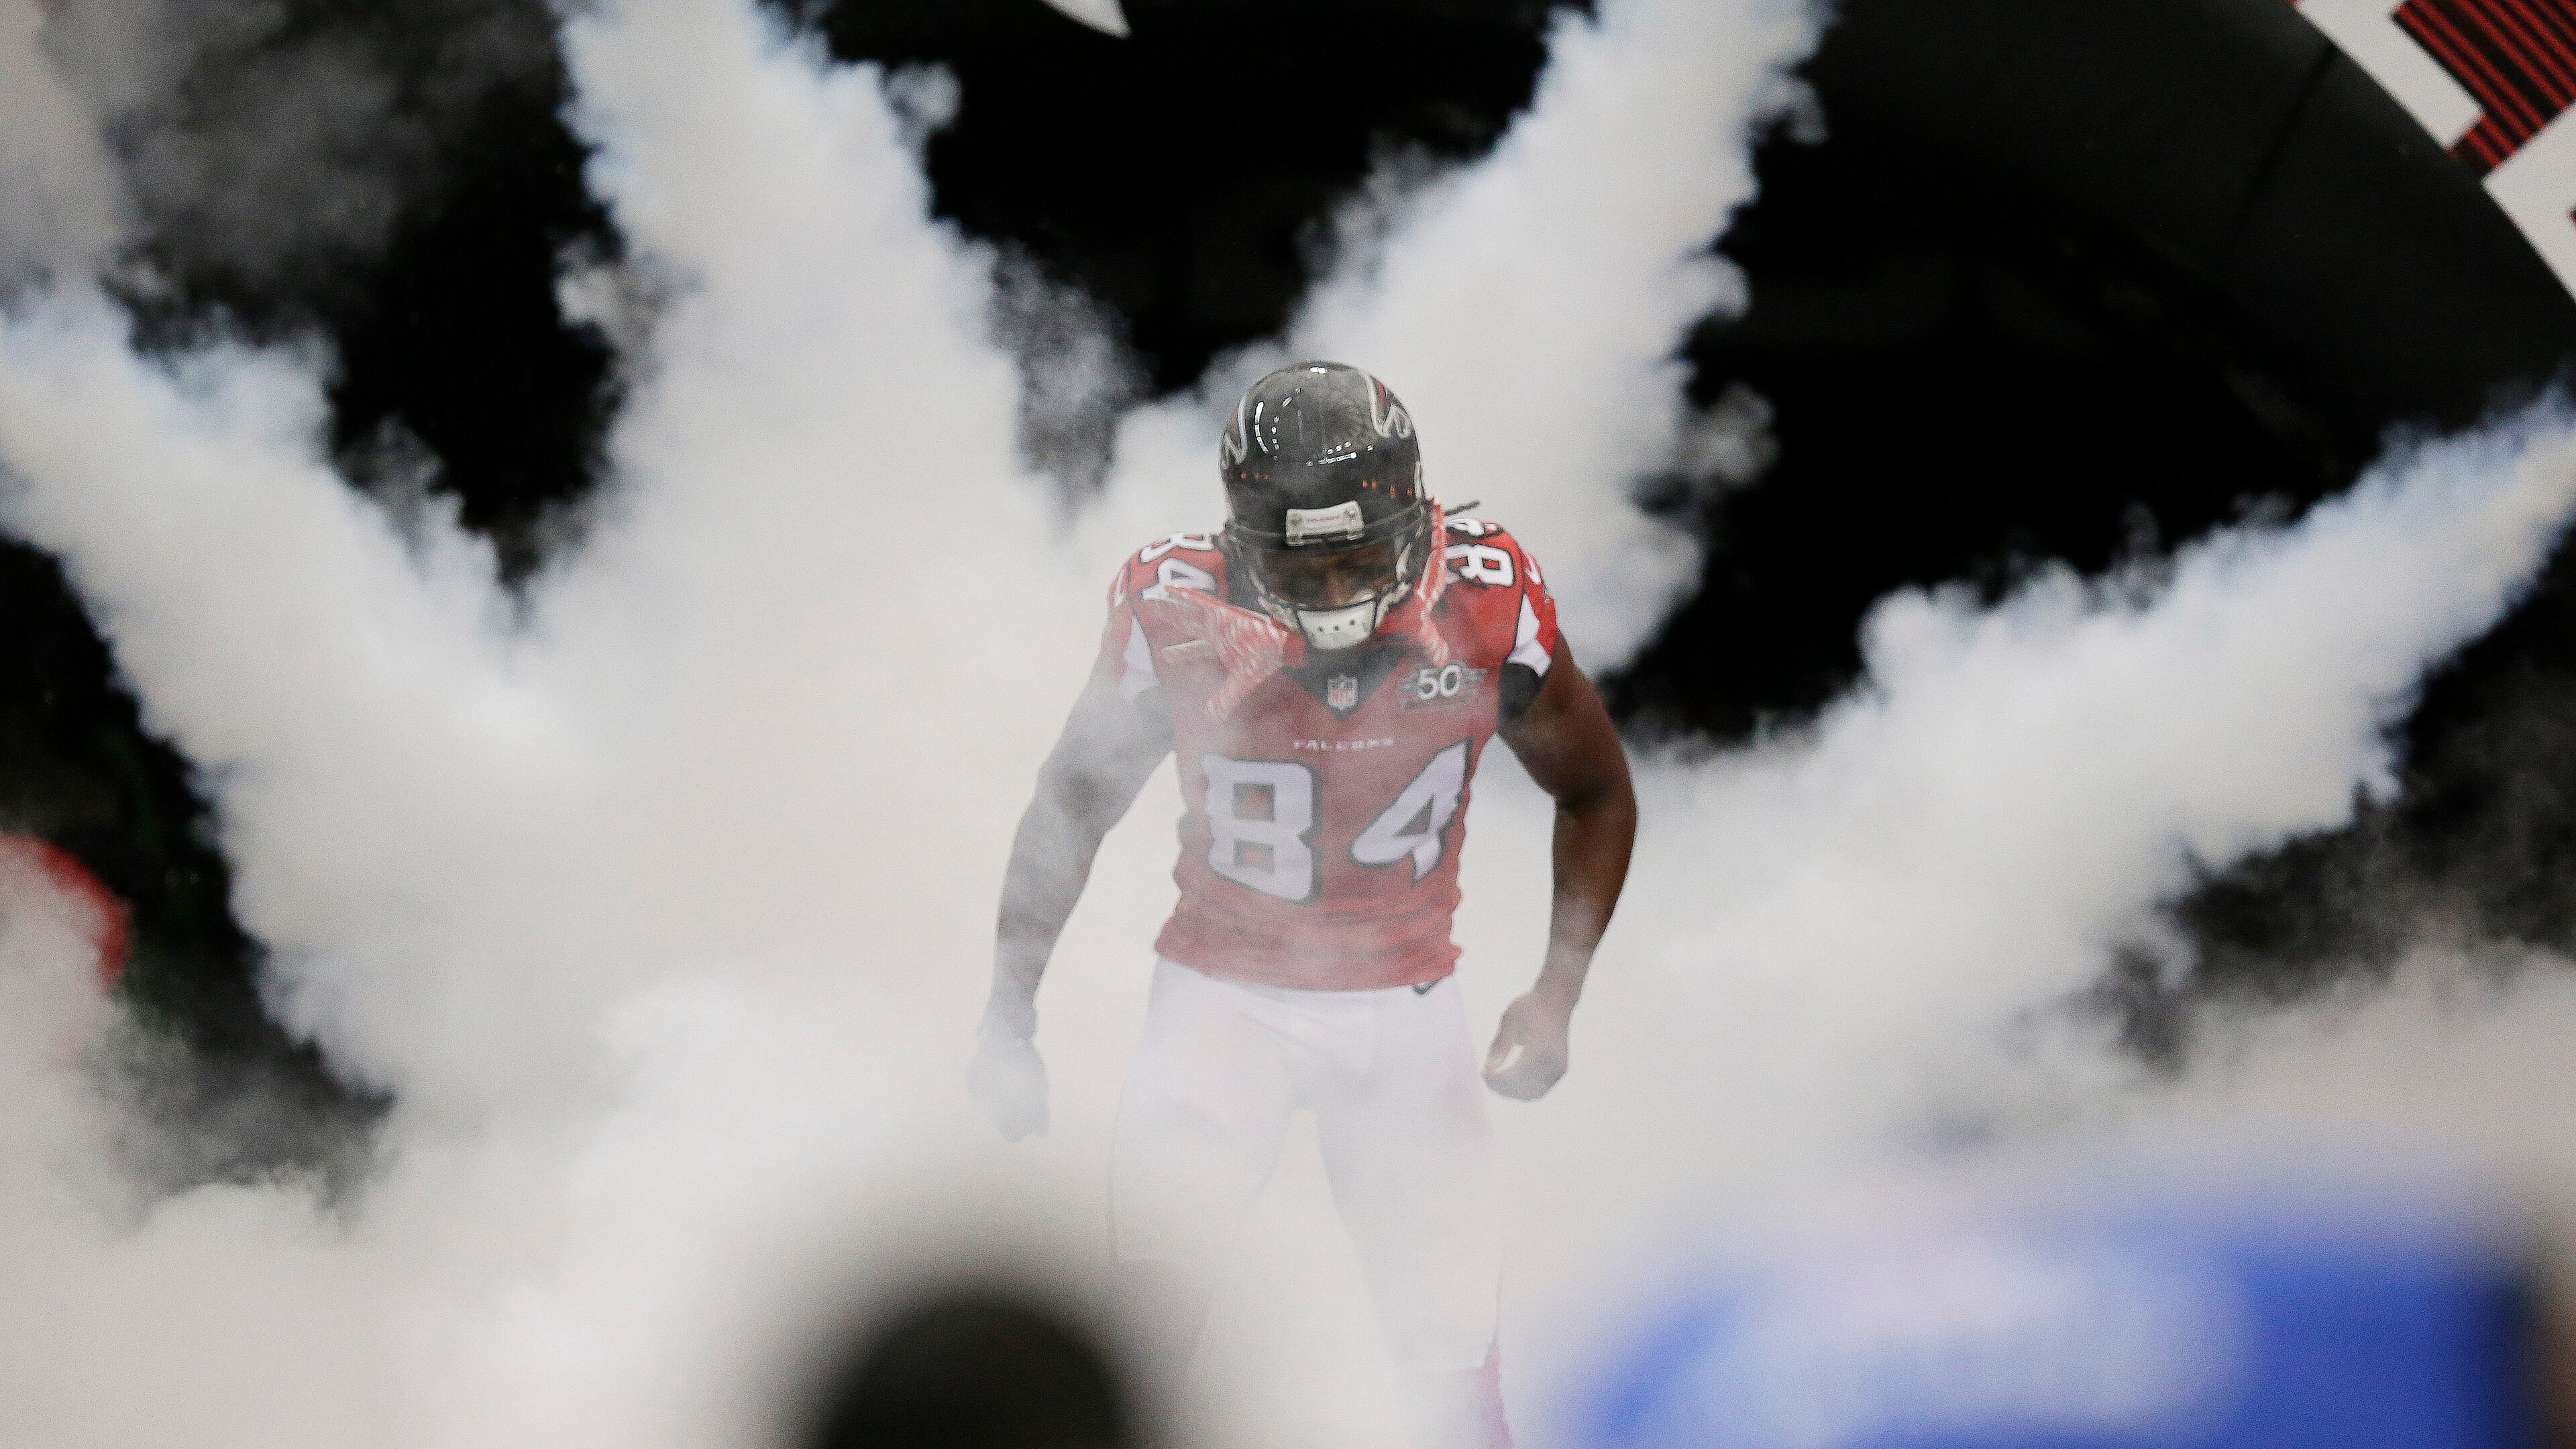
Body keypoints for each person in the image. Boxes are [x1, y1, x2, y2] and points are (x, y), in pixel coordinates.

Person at [972, 361, 1636, 1449]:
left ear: (1420, 529)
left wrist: (1558, 991)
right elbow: (1072, 800)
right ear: (1238, 544)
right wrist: (1010, 1011)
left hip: (1407, 1010)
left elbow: (1599, 789)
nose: (1333, 597)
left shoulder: (1487, 596)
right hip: (1219, 1001)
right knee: (1143, 1356)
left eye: (1359, 560)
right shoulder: (1173, 606)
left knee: (1454, 1383)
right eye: (1300, 564)